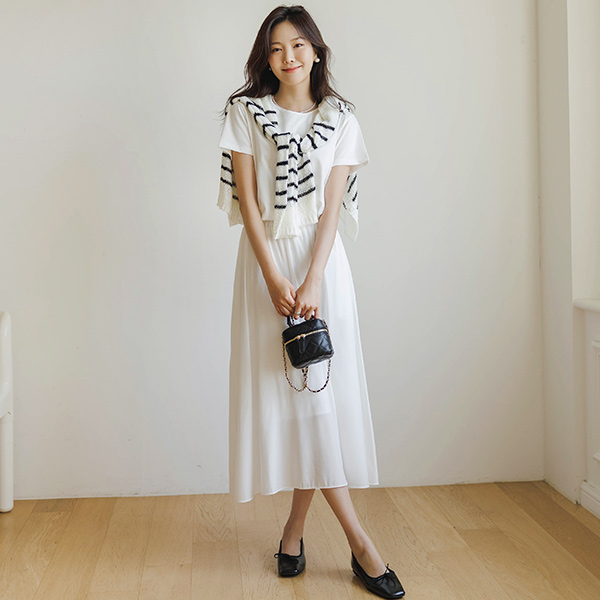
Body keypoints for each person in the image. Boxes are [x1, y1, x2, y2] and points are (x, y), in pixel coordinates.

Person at [217, 5, 405, 598]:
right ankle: (360, 546)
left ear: (317, 51)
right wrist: (274, 277)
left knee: (318, 401)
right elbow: (249, 204)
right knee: (298, 399)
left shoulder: (341, 118)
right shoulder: (245, 113)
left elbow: (330, 209)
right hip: (267, 266)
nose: (288, 57)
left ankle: (298, 535)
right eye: (276, 48)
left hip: (323, 270)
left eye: (298, 45)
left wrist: (314, 279)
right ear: (265, 58)